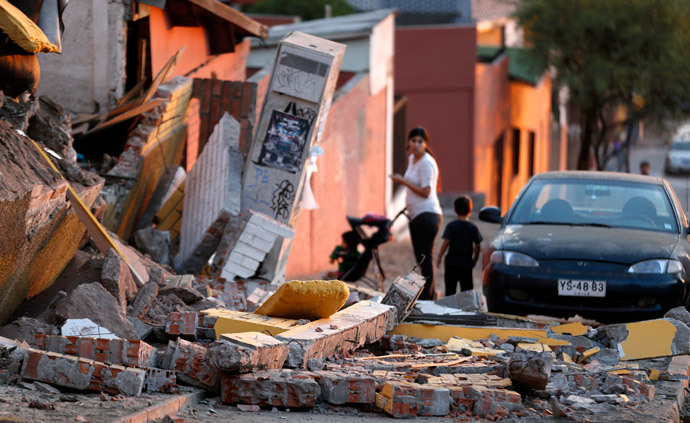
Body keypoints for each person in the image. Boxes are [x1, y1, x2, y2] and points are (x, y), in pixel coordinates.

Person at [389, 127, 443, 300]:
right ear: (409, 142)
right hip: (416, 215)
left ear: (425, 144)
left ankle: (429, 296)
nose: (416, 144)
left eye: (420, 142)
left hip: (427, 214)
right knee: (420, 258)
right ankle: (426, 294)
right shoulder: (412, 158)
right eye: (414, 140)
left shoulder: (427, 162)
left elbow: (426, 192)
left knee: (425, 258)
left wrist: (402, 181)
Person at [436, 196, 482, 296]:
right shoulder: (473, 227)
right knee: (467, 291)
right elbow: (477, 246)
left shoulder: (451, 226)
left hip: (451, 263)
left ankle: (449, 310)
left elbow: (446, 243)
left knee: (450, 290)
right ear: (470, 210)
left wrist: (439, 256)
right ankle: (465, 310)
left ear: (455, 210)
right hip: (466, 264)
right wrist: (474, 259)